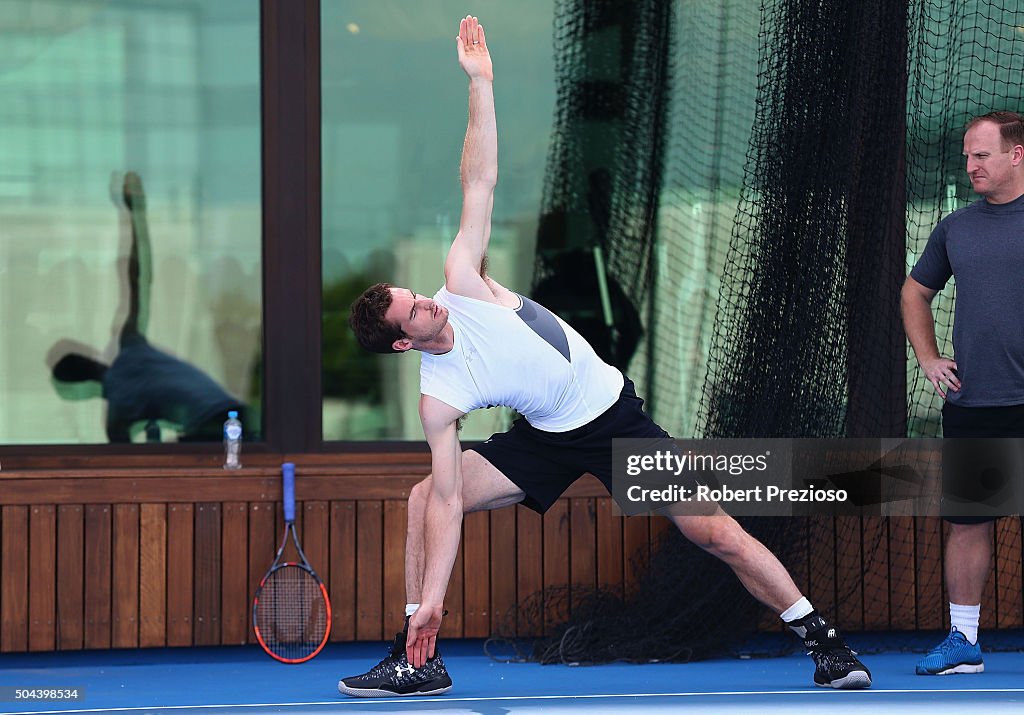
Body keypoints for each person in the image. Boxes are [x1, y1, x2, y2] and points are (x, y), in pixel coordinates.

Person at [340, 15, 871, 697]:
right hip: (543, 437)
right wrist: (434, 598)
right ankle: (418, 651)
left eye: (418, 295)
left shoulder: (463, 282)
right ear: (404, 341)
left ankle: (823, 642)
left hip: (612, 418)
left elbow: (480, 179)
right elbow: (446, 499)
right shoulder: (438, 396)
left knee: (716, 533)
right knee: (421, 495)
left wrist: (482, 85)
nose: (429, 303)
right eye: (414, 311)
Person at [902, 110, 1024, 676]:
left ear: (1016, 154)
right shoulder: (956, 228)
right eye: (968, 156)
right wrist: (928, 359)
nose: (971, 165)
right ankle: (963, 641)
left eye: (982, 155)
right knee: (969, 523)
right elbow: (914, 293)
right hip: (976, 406)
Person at [49, 171, 247, 442]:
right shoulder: (130, 346)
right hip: (236, 416)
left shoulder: (118, 409)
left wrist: (131, 212)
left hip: (214, 429)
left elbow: (122, 466)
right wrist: (132, 213)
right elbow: (135, 276)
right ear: (92, 355)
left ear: (81, 390)